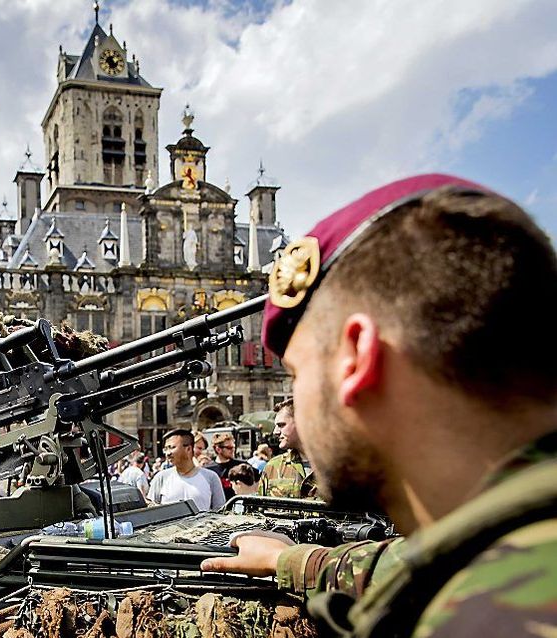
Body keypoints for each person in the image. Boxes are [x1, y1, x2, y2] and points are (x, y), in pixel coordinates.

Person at [200, 174, 557, 636]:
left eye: (296, 374)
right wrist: (287, 558)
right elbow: (401, 563)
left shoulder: (485, 620)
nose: (293, 414)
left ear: (354, 360)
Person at [147, 429, 226, 511]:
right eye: (166, 449)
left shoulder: (210, 477)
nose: (168, 453)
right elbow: (151, 510)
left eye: (172, 447)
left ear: (188, 449)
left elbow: (220, 511)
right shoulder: (161, 477)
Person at [256, 399, 316, 498]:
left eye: (281, 425)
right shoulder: (272, 467)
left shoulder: (339, 468)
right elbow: (259, 510)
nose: (275, 432)